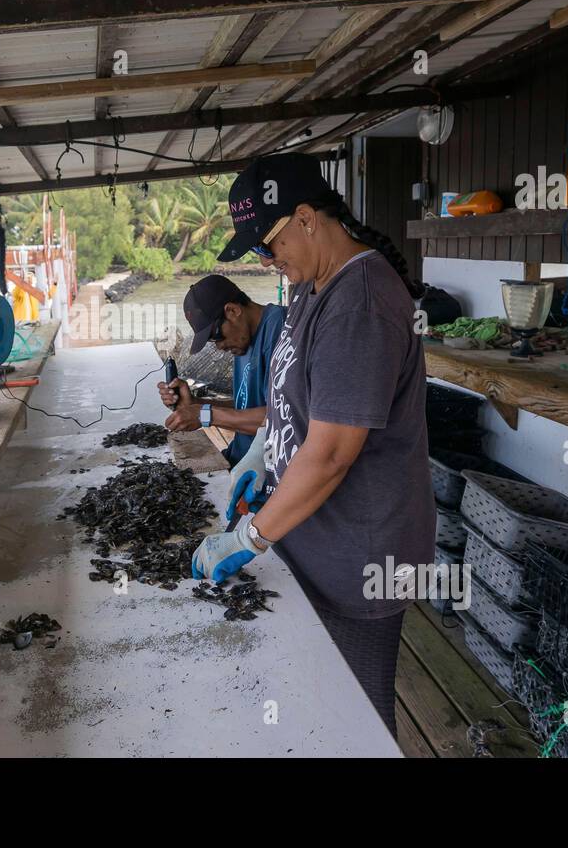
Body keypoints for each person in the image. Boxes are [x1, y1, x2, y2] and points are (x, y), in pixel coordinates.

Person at [189, 152, 435, 739]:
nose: (267, 260)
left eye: (269, 244)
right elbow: (295, 400)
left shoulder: (362, 302)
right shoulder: (309, 286)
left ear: (305, 218)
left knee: (355, 723)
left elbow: (329, 454)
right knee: (308, 713)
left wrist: (248, 537)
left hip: (362, 556)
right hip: (314, 539)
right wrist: (262, 452)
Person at [157, 275, 285, 467]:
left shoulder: (281, 330)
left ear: (232, 310)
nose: (219, 346)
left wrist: (206, 415)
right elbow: (248, 405)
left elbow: (282, 418)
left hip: (264, 474)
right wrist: (196, 403)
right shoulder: (243, 338)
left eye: (216, 336)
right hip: (238, 459)